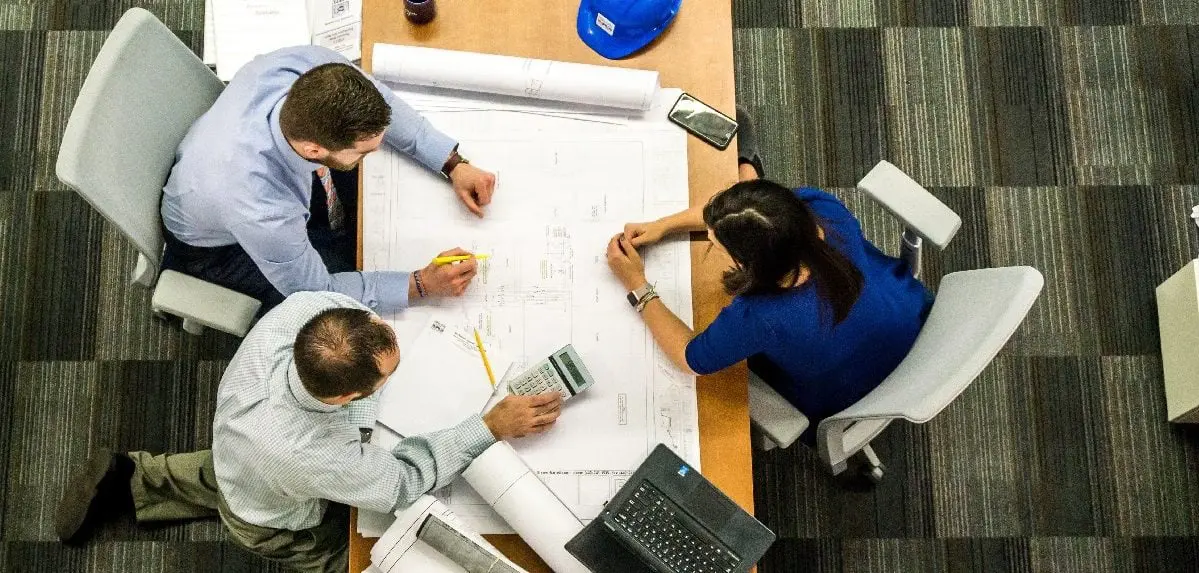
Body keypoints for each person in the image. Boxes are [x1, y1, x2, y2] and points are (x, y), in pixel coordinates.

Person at [54, 291, 562, 572]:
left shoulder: (306, 312)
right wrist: (488, 425)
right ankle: (145, 486)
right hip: (273, 517)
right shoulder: (312, 455)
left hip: (240, 446)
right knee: (358, 557)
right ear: (344, 399)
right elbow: (402, 483)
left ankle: (133, 477)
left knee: (229, 472)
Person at [605, 115, 932, 443]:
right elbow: (749, 214)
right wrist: (663, 225)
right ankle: (750, 168)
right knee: (743, 136)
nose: (707, 237)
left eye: (715, 243)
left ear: (749, 264)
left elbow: (691, 358)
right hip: (910, 318)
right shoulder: (822, 210)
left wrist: (637, 285)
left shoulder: (761, 317)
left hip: (849, 392)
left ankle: (749, 167)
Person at [161, 45, 498, 312]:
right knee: (340, 293)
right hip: (216, 247)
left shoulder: (311, 67)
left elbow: (384, 103)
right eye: (364, 151)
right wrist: (421, 284)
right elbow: (316, 290)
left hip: (220, 163)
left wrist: (452, 163)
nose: (375, 154)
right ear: (314, 149)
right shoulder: (260, 206)